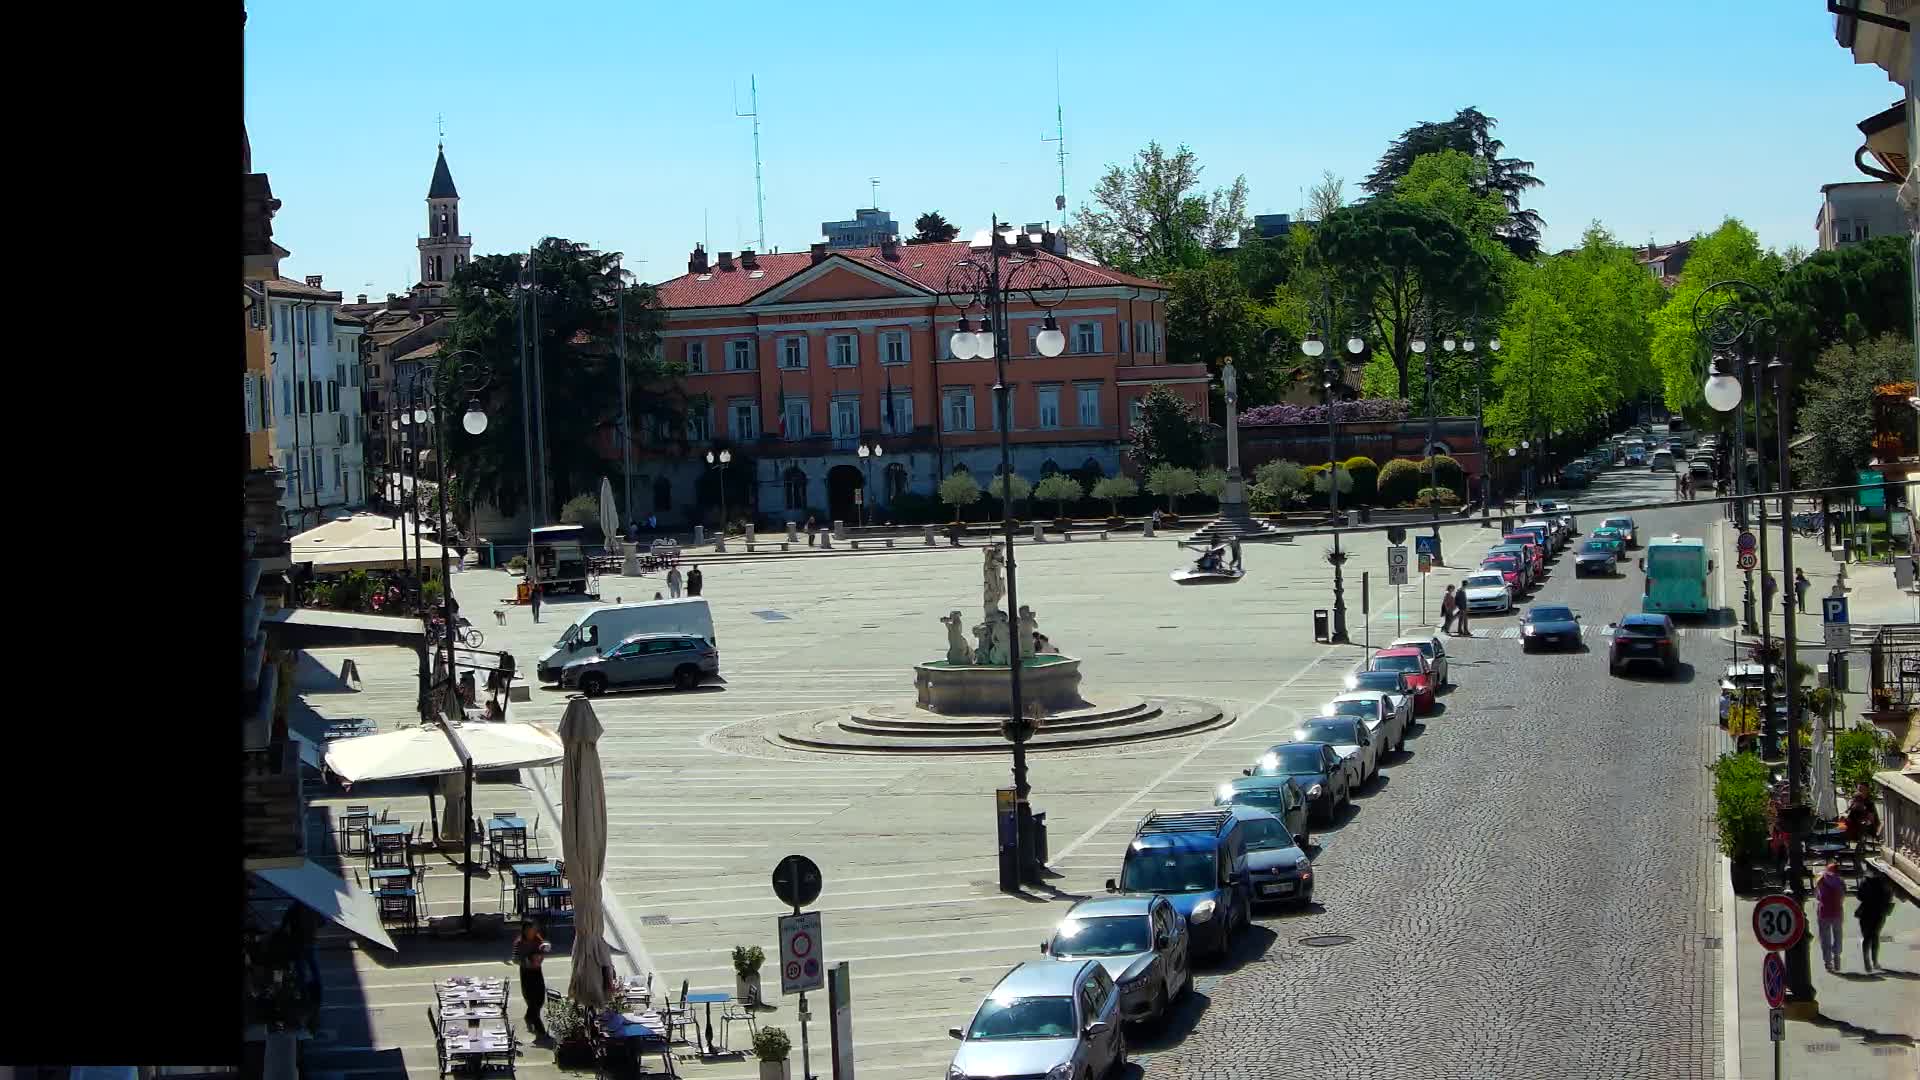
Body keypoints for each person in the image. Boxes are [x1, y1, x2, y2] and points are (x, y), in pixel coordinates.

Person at [512, 918, 553, 1041]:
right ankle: (541, 1031)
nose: (533, 931)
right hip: (526, 973)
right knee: (532, 1002)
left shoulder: (537, 938)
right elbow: (515, 959)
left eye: (534, 929)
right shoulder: (520, 943)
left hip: (537, 972)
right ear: (525, 930)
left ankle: (528, 1017)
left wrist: (543, 952)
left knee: (540, 998)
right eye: (531, 929)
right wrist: (528, 960)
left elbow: (542, 949)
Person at [1855, 866, 1895, 973]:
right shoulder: (1884, 882)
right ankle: (1875, 961)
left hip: (1865, 913)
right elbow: (1889, 896)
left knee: (1866, 937)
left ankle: (1867, 962)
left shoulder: (1865, 882)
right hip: (1878, 912)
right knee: (1875, 936)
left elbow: (1859, 896)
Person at [1815, 861, 1847, 972]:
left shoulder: (1821, 880)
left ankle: (1828, 962)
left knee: (1825, 938)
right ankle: (1837, 955)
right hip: (1837, 912)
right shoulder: (1841, 882)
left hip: (1824, 912)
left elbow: (1818, 897)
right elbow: (1842, 897)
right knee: (1838, 935)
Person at [1846, 783, 1881, 856]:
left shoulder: (1869, 803)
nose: (1859, 791)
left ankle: (1859, 850)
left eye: (1862, 790)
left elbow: (1871, 819)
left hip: (1867, 826)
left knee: (1862, 828)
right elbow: (1849, 813)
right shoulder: (1855, 800)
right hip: (1854, 825)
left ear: (1867, 791)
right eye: (1858, 789)